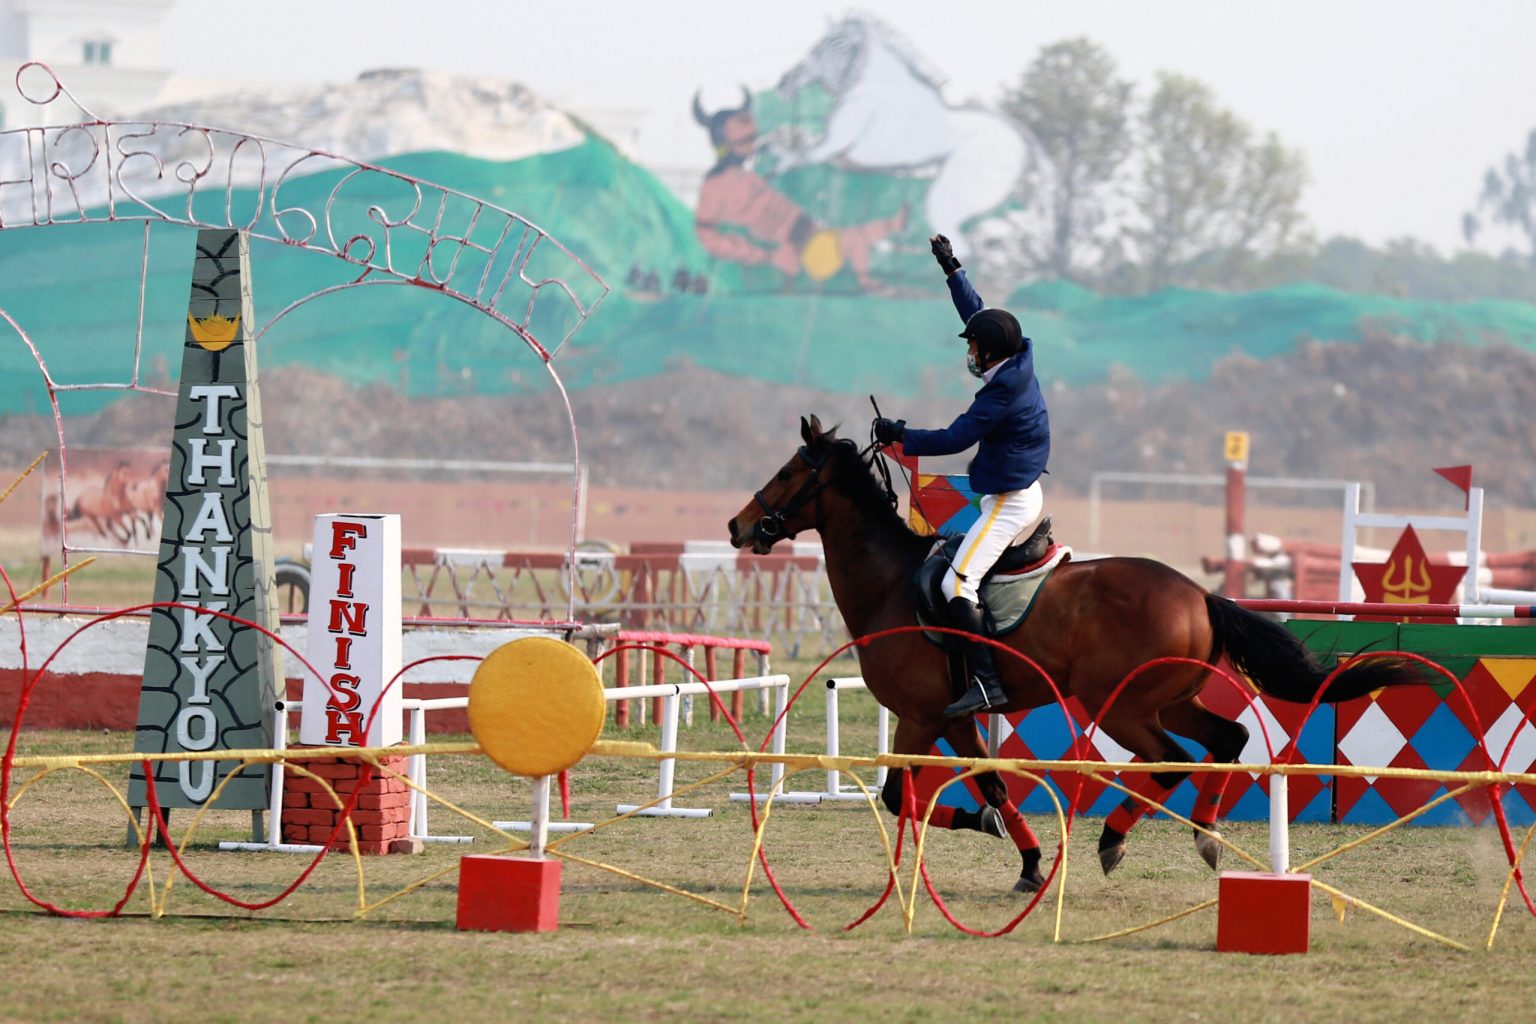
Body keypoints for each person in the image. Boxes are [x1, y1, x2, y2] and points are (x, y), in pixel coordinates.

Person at [872, 234, 1051, 718]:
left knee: (956, 586)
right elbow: (979, 314)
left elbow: (954, 438)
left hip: (1011, 503)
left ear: (991, 353)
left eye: (973, 346)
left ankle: (989, 684)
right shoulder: (1012, 356)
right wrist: (952, 270)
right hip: (1011, 494)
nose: (969, 351)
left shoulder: (1000, 394)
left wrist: (900, 433)